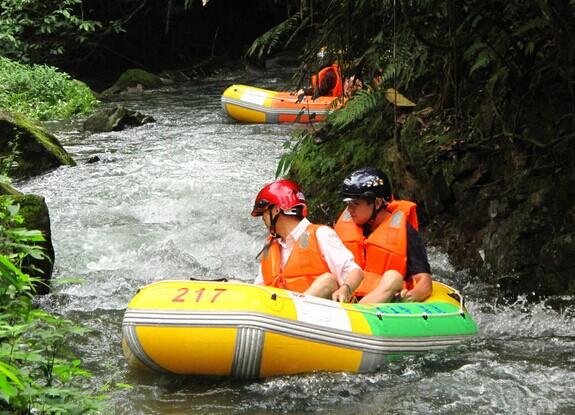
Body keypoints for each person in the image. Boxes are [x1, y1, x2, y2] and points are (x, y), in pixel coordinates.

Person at [251, 179, 363, 302]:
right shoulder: (269, 246)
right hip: (277, 311)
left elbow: (355, 271)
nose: (264, 220)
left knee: (327, 280)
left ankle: (294, 308)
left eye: (265, 213)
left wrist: (345, 288)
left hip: (318, 312)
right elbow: (259, 286)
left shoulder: (321, 234)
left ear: (277, 210)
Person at [334, 167, 433, 304]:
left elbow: (425, 283)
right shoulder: (345, 228)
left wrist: (410, 296)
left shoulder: (406, 232)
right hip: (346, 294)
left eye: (356, 203)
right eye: (348, 203)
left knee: (393, 277)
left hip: (383, 303)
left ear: (377, 203)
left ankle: (357, 313)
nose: (350, 209)